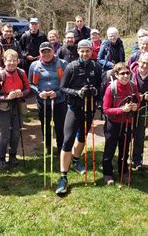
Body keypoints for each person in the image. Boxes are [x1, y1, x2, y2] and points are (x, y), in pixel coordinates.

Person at [55, 40, 102, 195]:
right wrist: (77, 92)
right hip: (74, 108)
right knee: (68, 140)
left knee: (82, 137)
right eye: (82, 51)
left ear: (91, 51)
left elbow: (101, 86)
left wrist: (95, 91)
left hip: (89, 109)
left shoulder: (96, 66)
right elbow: (62, 88)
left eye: (87, 51)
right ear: (78, 52)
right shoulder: (71, 66)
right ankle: (63, 176)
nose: (85, 54)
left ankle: (76, 160)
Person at [0, 49, 31, 169]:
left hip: (18, 106)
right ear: (4, 61)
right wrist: (7, 97)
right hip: (4, 108)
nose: (12, 63)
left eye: (14, 61)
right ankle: (1, 158)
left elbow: (28, 89)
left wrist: (21, 93)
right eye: (9, 61)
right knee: (5, 135)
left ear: (18, 61)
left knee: (16, 133)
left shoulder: (21, 73)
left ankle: (12, 156)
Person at [102, 63, 140, 185]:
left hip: (127, 123)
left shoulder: (133, 86)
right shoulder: (111, 88)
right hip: (113, 123)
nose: (125, 76)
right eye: (122, 73)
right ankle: (108, 173)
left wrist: (135, 107)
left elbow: (138, 101)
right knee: (110, 149)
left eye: (127, 73)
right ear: (116, 75)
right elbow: (105, 109)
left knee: (124, 148)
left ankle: (123, 171)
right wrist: (121, 110)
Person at [28, 42, 68, 154]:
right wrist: (39, 93)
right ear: (39, 53)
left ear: (53, 51)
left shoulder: (62, 64)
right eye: (43, 52)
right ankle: (48, 146)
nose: (46, 54)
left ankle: (61, 147)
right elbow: (30, 83)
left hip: (59, 101)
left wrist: (57, 93)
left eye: (48, 51)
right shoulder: (34, 65)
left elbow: (67, 83)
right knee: (45, 125)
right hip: (43, 101)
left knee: (60, 125)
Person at [130, 52, 148, 171]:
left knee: (140, 134)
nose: (144, 65)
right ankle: (124, 157)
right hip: (130, 108)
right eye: (143, 62)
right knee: (127, 134)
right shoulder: (130, 73)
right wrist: (136, 96)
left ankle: (137, 160)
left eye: (147, 63)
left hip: (144, 109)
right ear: (138, 62)